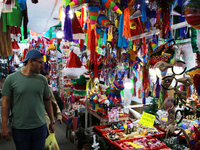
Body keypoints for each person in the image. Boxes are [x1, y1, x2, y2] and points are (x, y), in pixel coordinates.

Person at [1, 49, 55, 150]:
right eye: (39, 62)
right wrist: (4, 126)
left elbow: (47, 100)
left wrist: (52, 121)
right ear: (30, 61)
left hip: (40, 126)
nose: (42, 66)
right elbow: (5, 103)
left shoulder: (42, 79)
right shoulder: (11, 79)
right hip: (20, 128)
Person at [40, 69, 62, 134]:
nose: (46, 81)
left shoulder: (48, 88)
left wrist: (58, 115)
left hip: (46, 117)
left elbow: (53, 101)